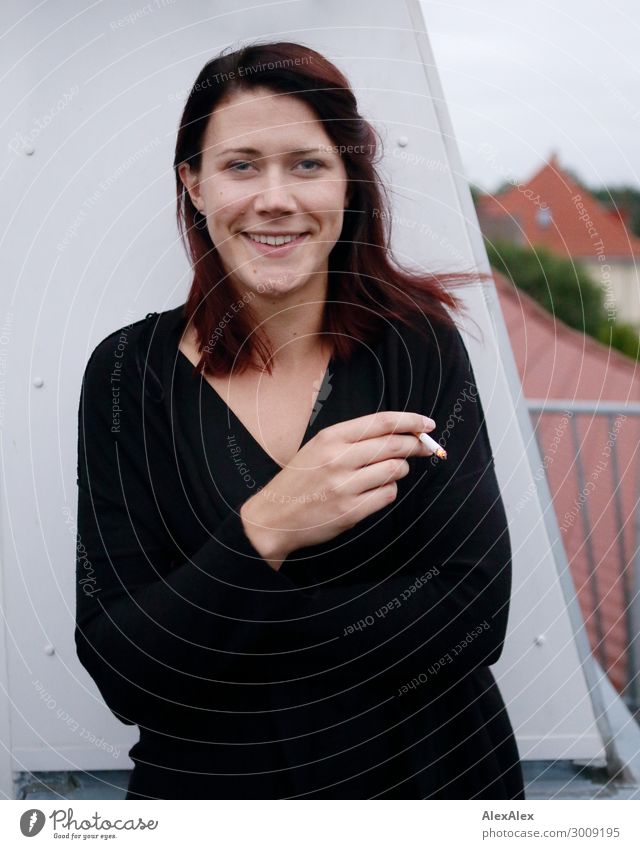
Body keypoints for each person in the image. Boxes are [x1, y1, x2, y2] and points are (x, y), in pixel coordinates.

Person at [75, 40, 525, 800]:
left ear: (347, 182)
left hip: (431, 782)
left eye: (307, 164)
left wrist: (218, 621)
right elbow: (126, 667)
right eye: (241, 164)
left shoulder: (417, 347)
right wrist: (272, 524)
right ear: (194, 183)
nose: (275, 197)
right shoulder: (125, 374)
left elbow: (476, 616)